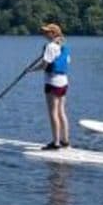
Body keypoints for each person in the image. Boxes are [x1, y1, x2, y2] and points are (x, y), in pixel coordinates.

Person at [31, 22, 71, 150]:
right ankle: (65, 141)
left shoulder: (50, 46)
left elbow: (44, 65)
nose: (44, 34)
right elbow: (67, 61)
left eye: (47, 32)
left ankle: (56, 143)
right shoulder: (64, 46)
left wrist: (30, 70)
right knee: (61, 112)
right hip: (64, 82)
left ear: (53, 33)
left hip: (52, 82)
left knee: (53, 113)